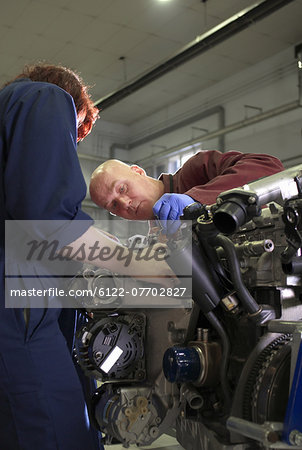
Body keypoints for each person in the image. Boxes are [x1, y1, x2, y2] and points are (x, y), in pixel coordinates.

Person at [0, 63, 174, 450]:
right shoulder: (43, 97)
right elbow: (45, 217)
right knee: (60, 431)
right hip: (18, 317)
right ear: (75, 105)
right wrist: (139, 263)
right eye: (75, 132)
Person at [89, 150, 284, 233]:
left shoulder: (195, 170)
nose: (124, 203)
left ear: (138, 172)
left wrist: (195, 199)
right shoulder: (157, 239)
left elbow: (268, 167)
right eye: (114, 205)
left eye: (122, 189)